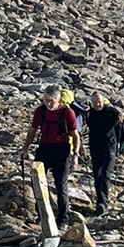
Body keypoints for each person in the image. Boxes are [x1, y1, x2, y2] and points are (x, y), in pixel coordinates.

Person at [21, 83, 78, 228]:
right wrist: (25, 148)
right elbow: (32, 130)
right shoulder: (40, 111)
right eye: (45, 100)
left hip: (62, 150)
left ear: (58, 99)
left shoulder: (67, 112)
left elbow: (75, 135)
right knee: (38, 183)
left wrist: (75, 155)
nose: (48, 103)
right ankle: (42, 215)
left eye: (51, 101)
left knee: (61, 186)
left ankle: (63, 219)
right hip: (44, 149)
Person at [83, 91, 124, 215]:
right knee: (97, 175)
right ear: (91, 102)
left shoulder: (110, 111)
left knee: (106, 174)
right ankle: (100, 202)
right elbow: (83, 125)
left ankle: (103, 203)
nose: (97, 104)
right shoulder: (89, 114)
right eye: (95, 102)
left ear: (103, 100)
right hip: (95, 147)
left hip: (110, 147)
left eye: (99, 102)